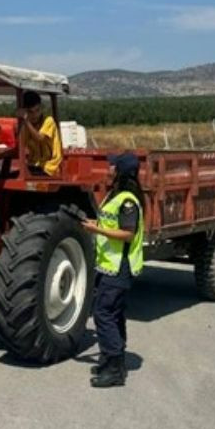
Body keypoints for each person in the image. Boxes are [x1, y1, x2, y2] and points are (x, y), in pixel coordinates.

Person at [81, 152, 144, 389]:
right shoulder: (114, 195)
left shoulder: (128, 200)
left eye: (113, 166)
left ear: (121, 171)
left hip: (120, 266)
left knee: (104, 314)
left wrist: (97, 231)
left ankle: (115, 369)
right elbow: (111, 224)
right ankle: (111, 360)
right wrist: (93, 224)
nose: (108, 168)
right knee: (113, 314)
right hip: (108, 265)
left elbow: (128, 233)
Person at [18, 90, 63, 177]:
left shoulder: (48, 121)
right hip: (34, 164)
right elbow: (22, 143)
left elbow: (40, 138)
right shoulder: (27, 126)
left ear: (41, 108)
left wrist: (26, 121)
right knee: (8, 176)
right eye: (30, 112)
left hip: (49, 166)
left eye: (37, 110)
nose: (35, 115)